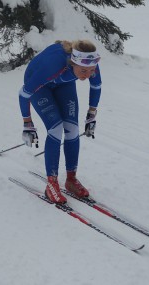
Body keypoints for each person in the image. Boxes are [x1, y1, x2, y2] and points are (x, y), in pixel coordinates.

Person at [19, 40, 102, 204]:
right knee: (56, 128)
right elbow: (23, 94)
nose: (87, 75)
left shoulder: (89, 63)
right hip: (41, 86)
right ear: (73, 63)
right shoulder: (54, 65)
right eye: (83, 71)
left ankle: (71, 179)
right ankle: (51, 183)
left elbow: (97, 86)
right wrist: (27, 124)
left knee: (72, 128)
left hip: (64, 83)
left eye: (91, 70)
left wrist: (92, 114)